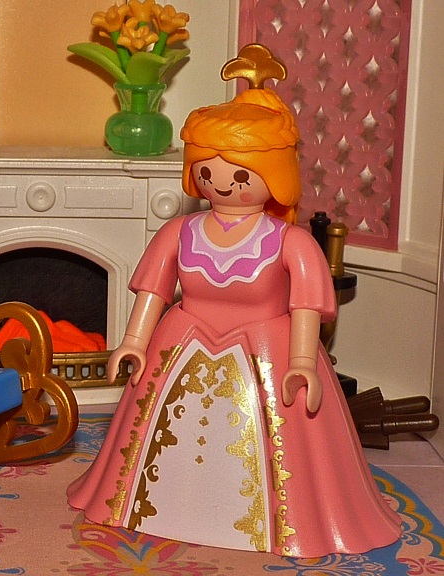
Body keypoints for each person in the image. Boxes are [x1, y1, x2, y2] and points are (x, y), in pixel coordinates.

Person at [66, 45, 401, 558]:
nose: (220, 184)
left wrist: (303, 363)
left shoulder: (290, 242)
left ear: (274, 176)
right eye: (207, 173)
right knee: (152, 439)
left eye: (239, 175)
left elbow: (306, 308)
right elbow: (154, 290)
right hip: (182, 340)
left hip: (267, 352)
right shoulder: (180, 232)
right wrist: (134, 341)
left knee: (279, 449)